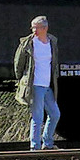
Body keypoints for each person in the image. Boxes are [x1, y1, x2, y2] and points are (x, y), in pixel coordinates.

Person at [15, 16, 62, 149]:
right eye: (33, 27)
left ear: (45, 28)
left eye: (37, 27)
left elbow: (54, 62)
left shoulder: (52, 42)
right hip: (35, 84)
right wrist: (22, 81)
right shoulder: (28, 43)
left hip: (47, 85)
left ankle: (47, 142)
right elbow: (18, 63)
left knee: (54, 114)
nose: (34, 30)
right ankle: (35, 146)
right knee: (38, 116)